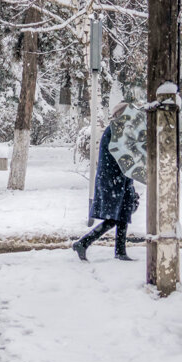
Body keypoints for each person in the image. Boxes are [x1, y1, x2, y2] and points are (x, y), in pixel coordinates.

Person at [73, 102, 140, 262]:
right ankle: (83, 243)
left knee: (123, 214)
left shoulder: (121, 131)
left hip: (120, 179)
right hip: (113, 180)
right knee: (114, 218)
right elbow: (121, 156)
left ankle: (120, 251)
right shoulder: (116, 130)